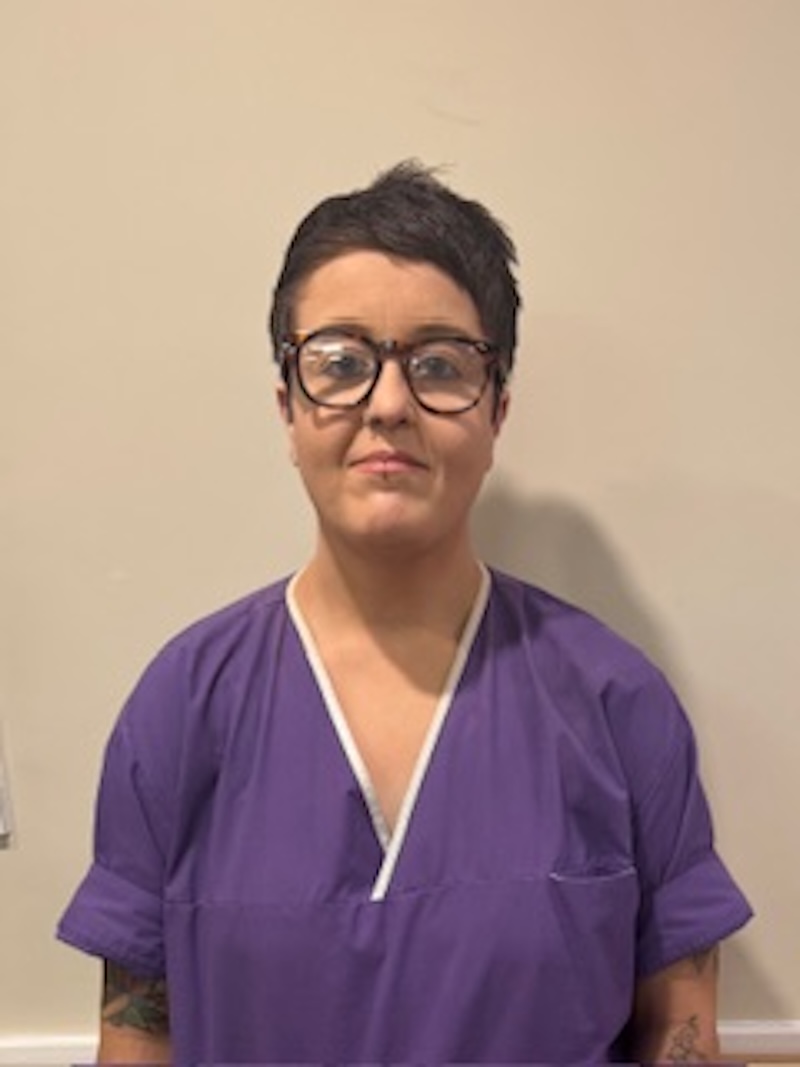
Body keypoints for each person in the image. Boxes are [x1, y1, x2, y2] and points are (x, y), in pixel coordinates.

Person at [58, 161, 752, 1065]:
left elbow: (681, 1026)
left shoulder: (618, 705)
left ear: (497, 409)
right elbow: (137, 1031)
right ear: (289, 407)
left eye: (438, 364)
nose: (388, 404)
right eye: (340, 363)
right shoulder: (183, 706)